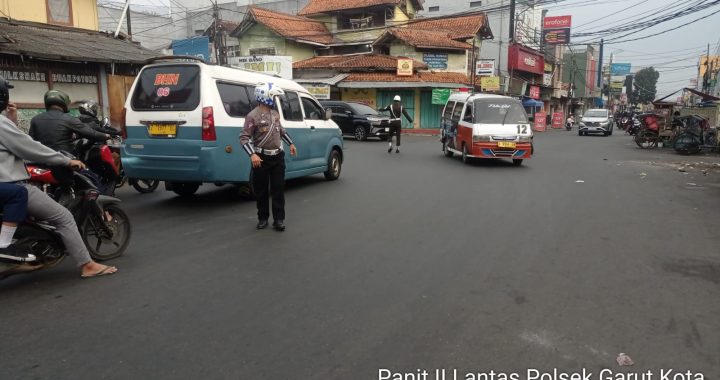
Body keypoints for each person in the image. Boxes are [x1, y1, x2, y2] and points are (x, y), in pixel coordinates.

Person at [0, 76, 117, 278]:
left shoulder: (36, 119)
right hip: (31, 172)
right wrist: (65, 161)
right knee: (63, 217)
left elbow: (18, 141)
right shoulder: (69, 118)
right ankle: (87, 265)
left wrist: (12, 119)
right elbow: (27, 145)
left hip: (37, 165)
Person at [239, 83, 297, 232]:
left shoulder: (275, 114)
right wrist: (252, 154)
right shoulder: (252, 116)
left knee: (278, 189)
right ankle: (262, 218)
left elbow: (281, 131)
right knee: (262, 190)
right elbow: (244, 138)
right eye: (273, 96)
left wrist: (291, 144)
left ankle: (278, 219)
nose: (275, 99)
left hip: (278, 157)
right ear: (265, 97)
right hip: (261, 158)